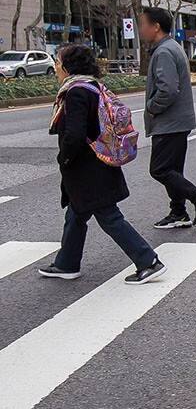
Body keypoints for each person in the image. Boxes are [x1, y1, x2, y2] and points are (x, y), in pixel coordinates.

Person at [38, 45, 166, 285]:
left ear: (67, 66)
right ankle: (66, 263)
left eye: (57, 62)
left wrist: (64, 158)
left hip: (88, 169)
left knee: (109, 216)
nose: (55, 67)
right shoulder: (92, 86)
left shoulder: (76, 92)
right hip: (98, 164)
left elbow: (75, 134)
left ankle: (148, 261)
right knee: (76, 213)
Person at [139, 6, 196, 230]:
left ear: (156, 27)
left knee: (160, 169)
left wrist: (152, 108)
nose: (141, 29)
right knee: (173, 169)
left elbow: (168, 89)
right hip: (176, 122)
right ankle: (178, 212)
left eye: (143, 24)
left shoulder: (164, 52)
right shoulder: (171, 47)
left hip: (169, 123)